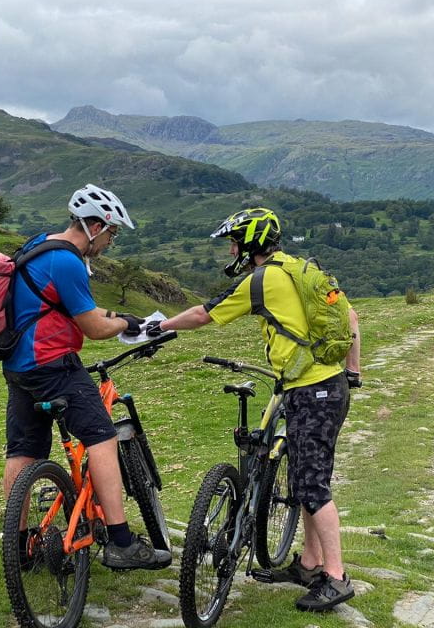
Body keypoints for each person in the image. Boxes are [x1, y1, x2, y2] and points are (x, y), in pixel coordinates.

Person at [146, 207, 361, 612]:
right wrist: (353, 372)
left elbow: (202, 314)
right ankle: (310, 564)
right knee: (304, 479)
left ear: (250, 245)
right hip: (326, 387)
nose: (231, 250)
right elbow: (349, 314)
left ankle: (336, 577)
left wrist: (158, 326)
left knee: (313, 487)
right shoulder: (301, 268)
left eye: (235, 242)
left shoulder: (261, 280)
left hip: (311, 391)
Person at [2, 183, 171, 570]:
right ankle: (122, 542)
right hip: (54, 365)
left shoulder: (39, 244)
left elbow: (66, 308)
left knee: (23, 452)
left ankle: (20, 544)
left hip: (18, 368)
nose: (111, 241)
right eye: (112, 232)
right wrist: (124, 324)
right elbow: (93, 329)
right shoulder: (68, 261)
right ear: (94, 226)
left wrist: (115, 317)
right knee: (102, 437)